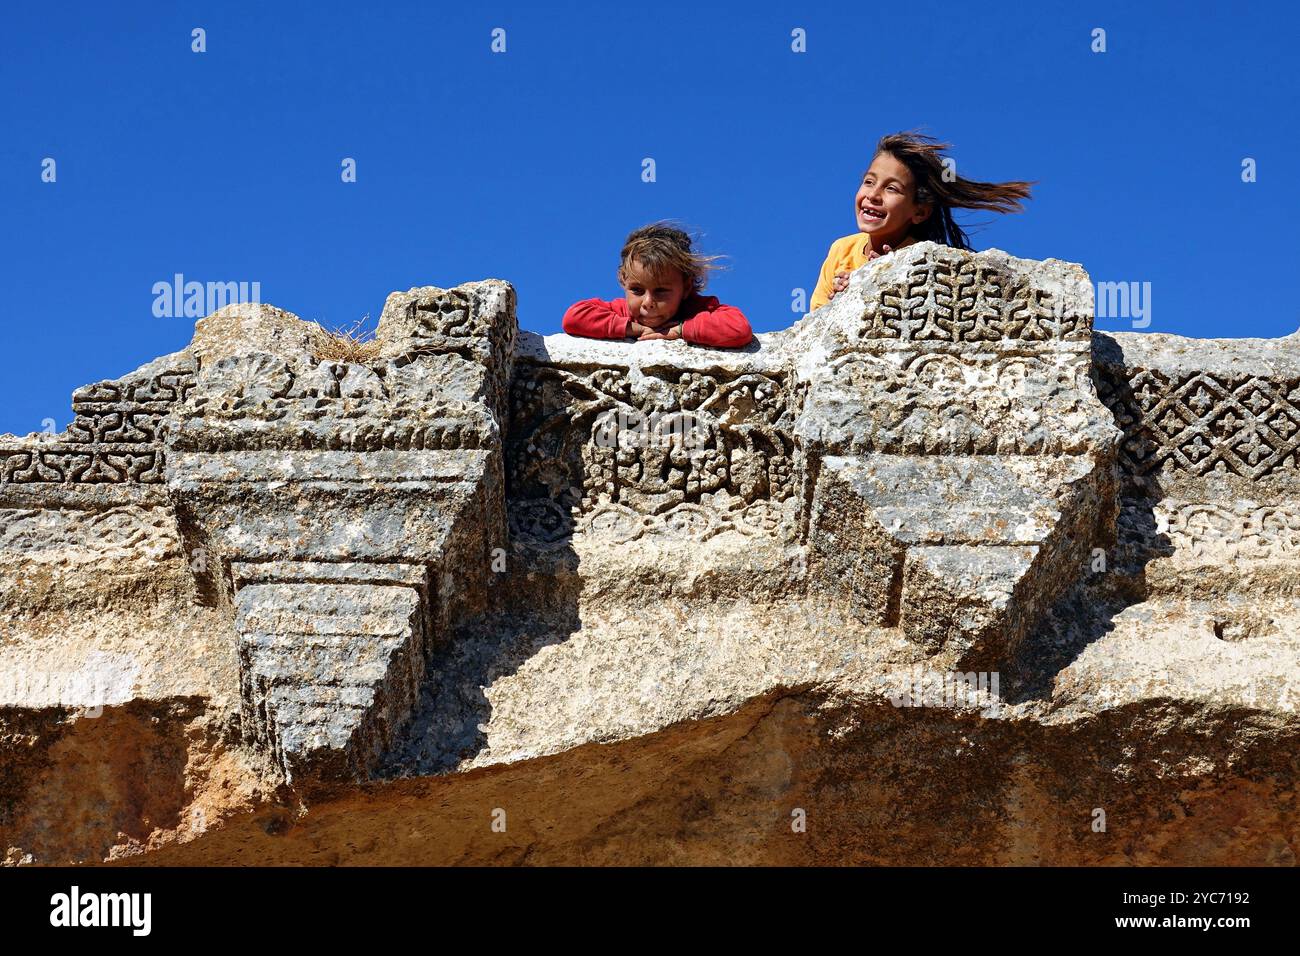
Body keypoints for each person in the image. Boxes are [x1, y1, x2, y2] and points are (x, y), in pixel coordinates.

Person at [809, 131, 1034, 311]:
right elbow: (815, 318)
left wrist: (888, 279)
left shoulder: (922, 261)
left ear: (920, 212)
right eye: (869, 182)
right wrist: (839, 300)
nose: (873, 195)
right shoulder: (842, 249)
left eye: (891, 188)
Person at [563, 222, 753, 348]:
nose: (648, 302)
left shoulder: (697, 309)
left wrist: (679, 330)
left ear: (686, 287)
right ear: (623, 280)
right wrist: (632, 329)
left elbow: (738, 328)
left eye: (661, 291)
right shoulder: (622, 311)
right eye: (637, 290)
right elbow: (574, 317)